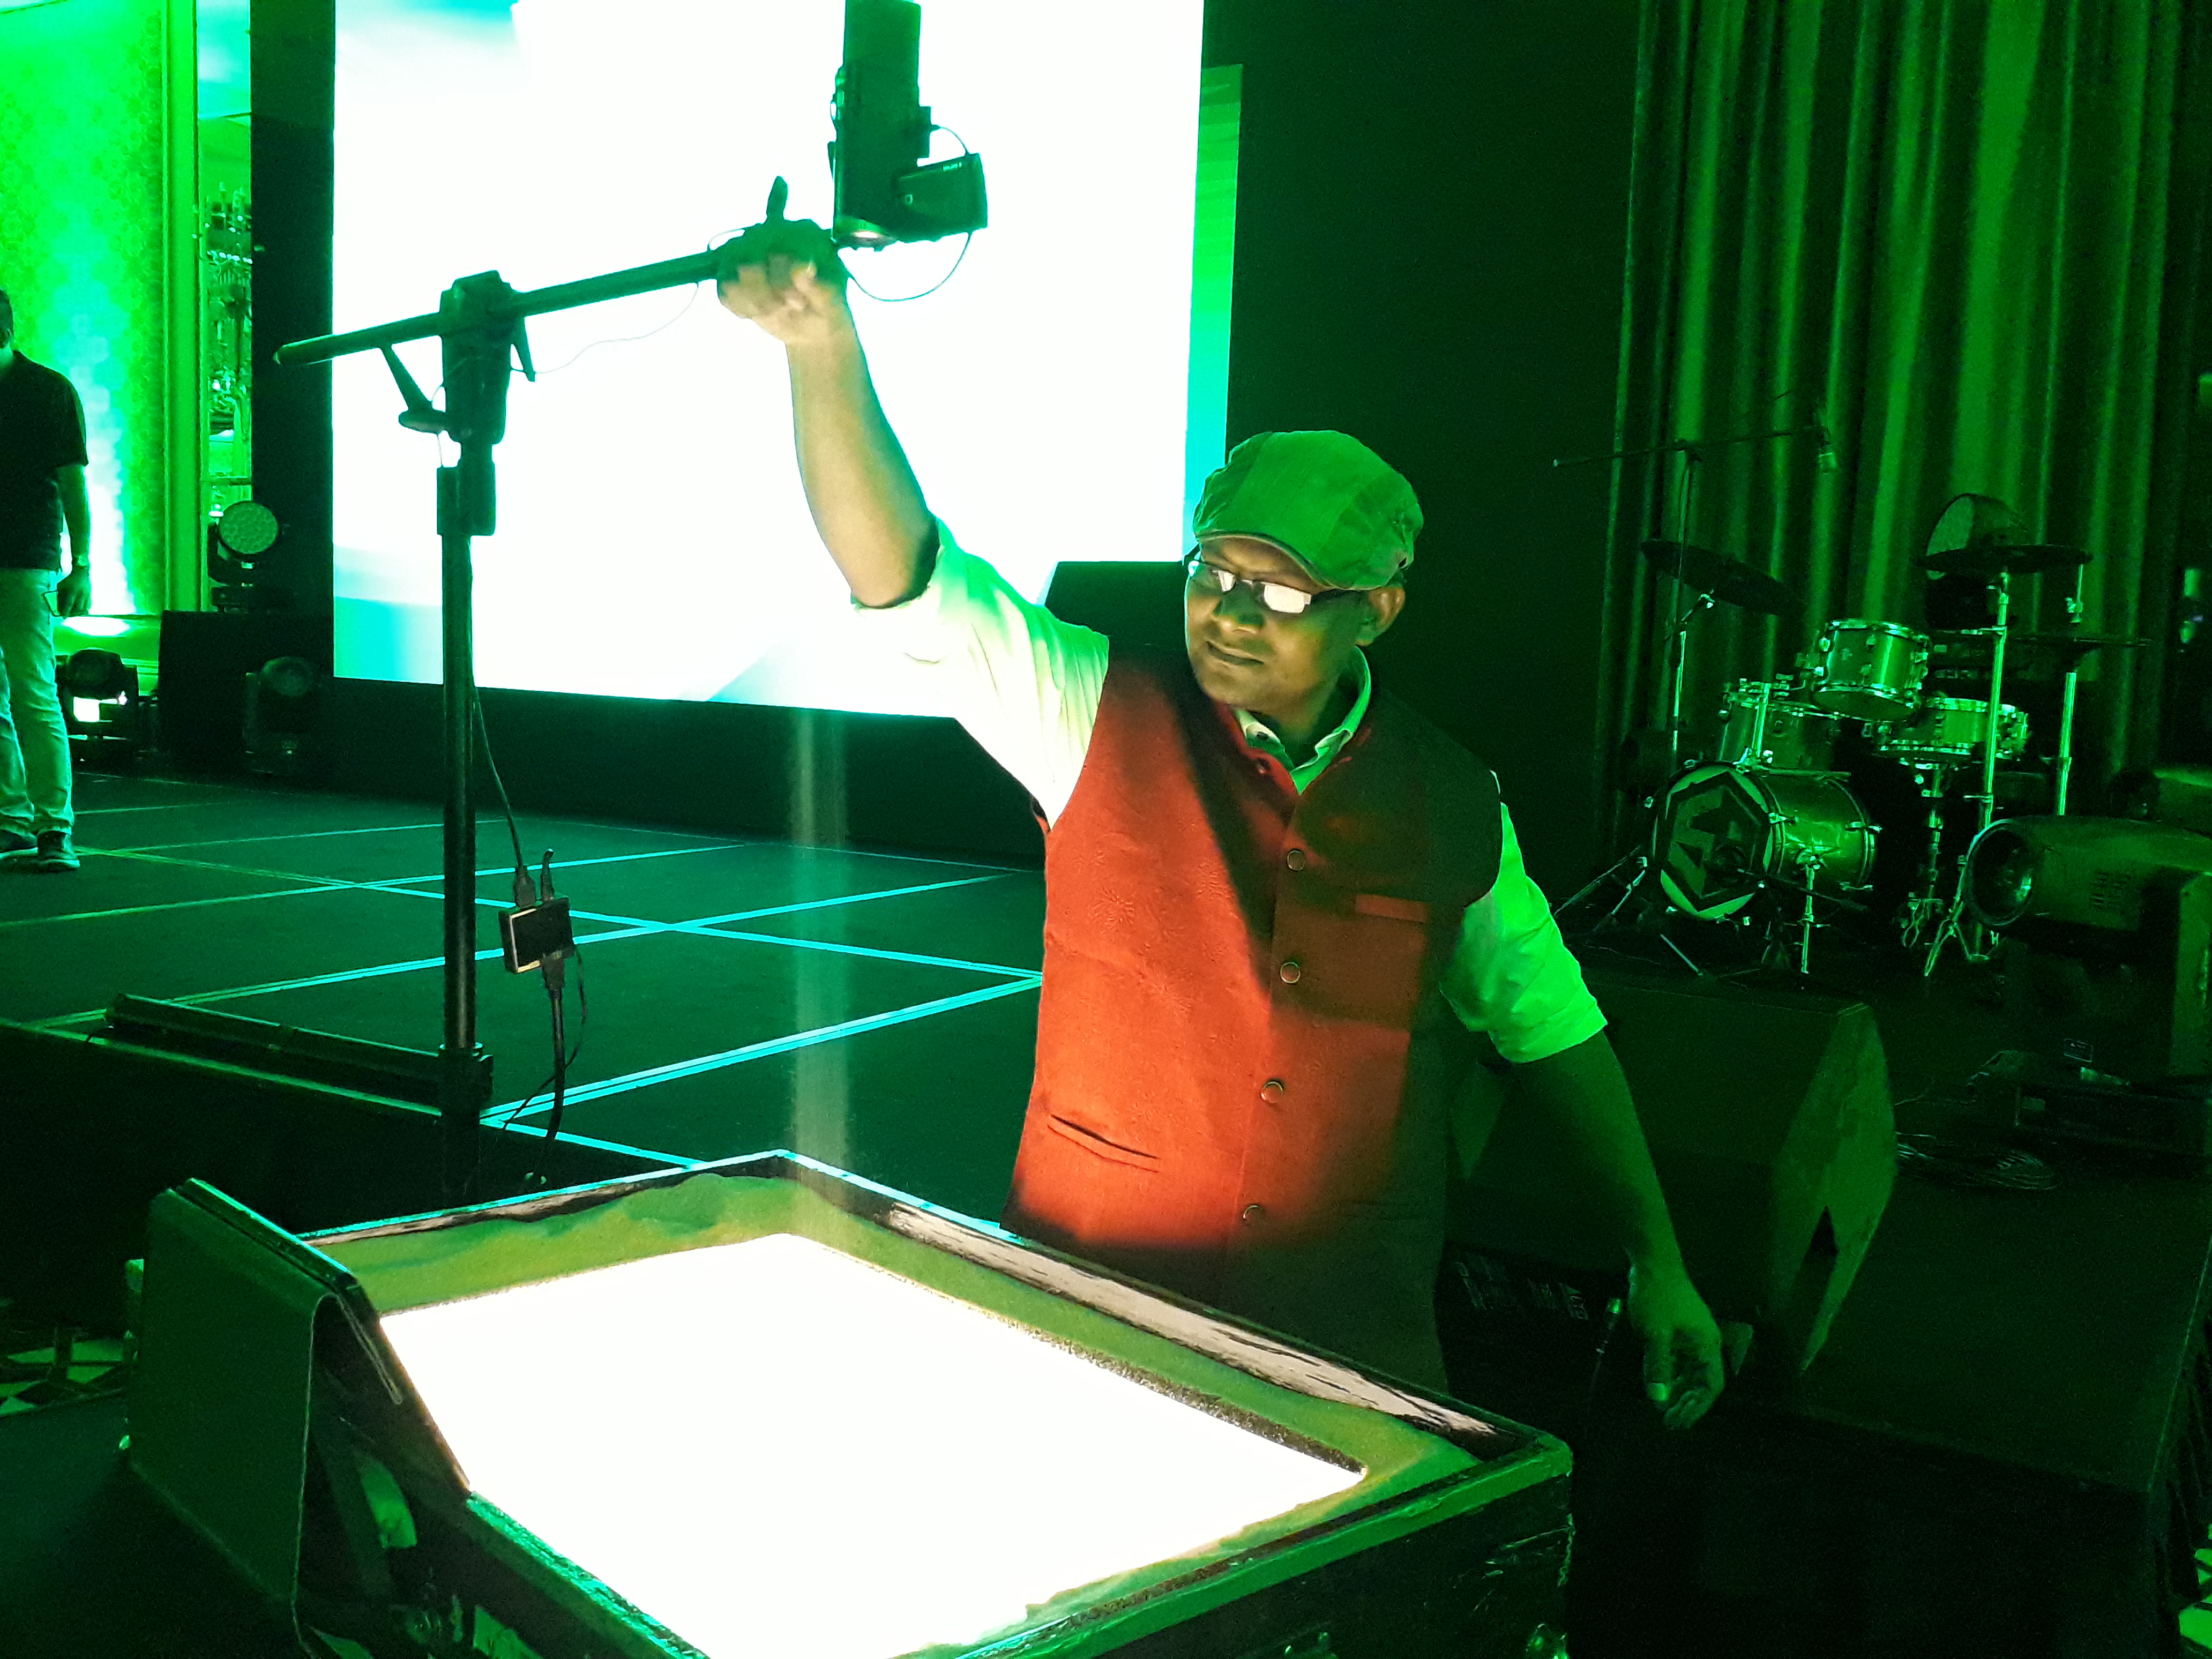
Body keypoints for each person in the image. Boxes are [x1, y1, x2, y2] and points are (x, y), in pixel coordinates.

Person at [718, 221, 1725, 1429]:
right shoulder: (1088, 707)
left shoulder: (1456, 795)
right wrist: (822, 349)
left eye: (1283, 590)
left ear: (1377, 610)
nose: (1233, 613)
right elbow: (908, 579)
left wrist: (1658, 1260)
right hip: (1098, 1302)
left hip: (1347, 1332)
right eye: (1213, 571)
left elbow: (1551, 1027)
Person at [0, 287, 89, 872]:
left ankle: (53, 826)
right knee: (15, 699)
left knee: (33, 694)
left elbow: (73, 482)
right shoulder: (45, 388)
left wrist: (83, 564)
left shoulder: (48, 390)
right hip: (26, 558)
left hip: (27, 557)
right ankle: (13, 821)